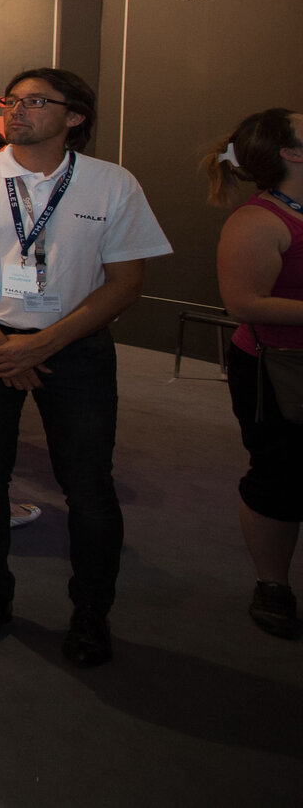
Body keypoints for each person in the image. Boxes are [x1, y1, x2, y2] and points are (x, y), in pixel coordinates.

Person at [0, 69, 170, 667]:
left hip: (75, 348)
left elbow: (126, 283)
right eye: (12, 101)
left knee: (89, 488)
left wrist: (44, 344)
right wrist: (0, 344)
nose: (17, 111)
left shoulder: (111, 184)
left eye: (35, 102)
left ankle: (91, 612)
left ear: (74, 116)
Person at [207, 107, 303, 639]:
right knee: (280, 480)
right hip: (280, 371)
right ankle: (273, 584)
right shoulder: (258, 221)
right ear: (291, 153)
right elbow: (244, 303)